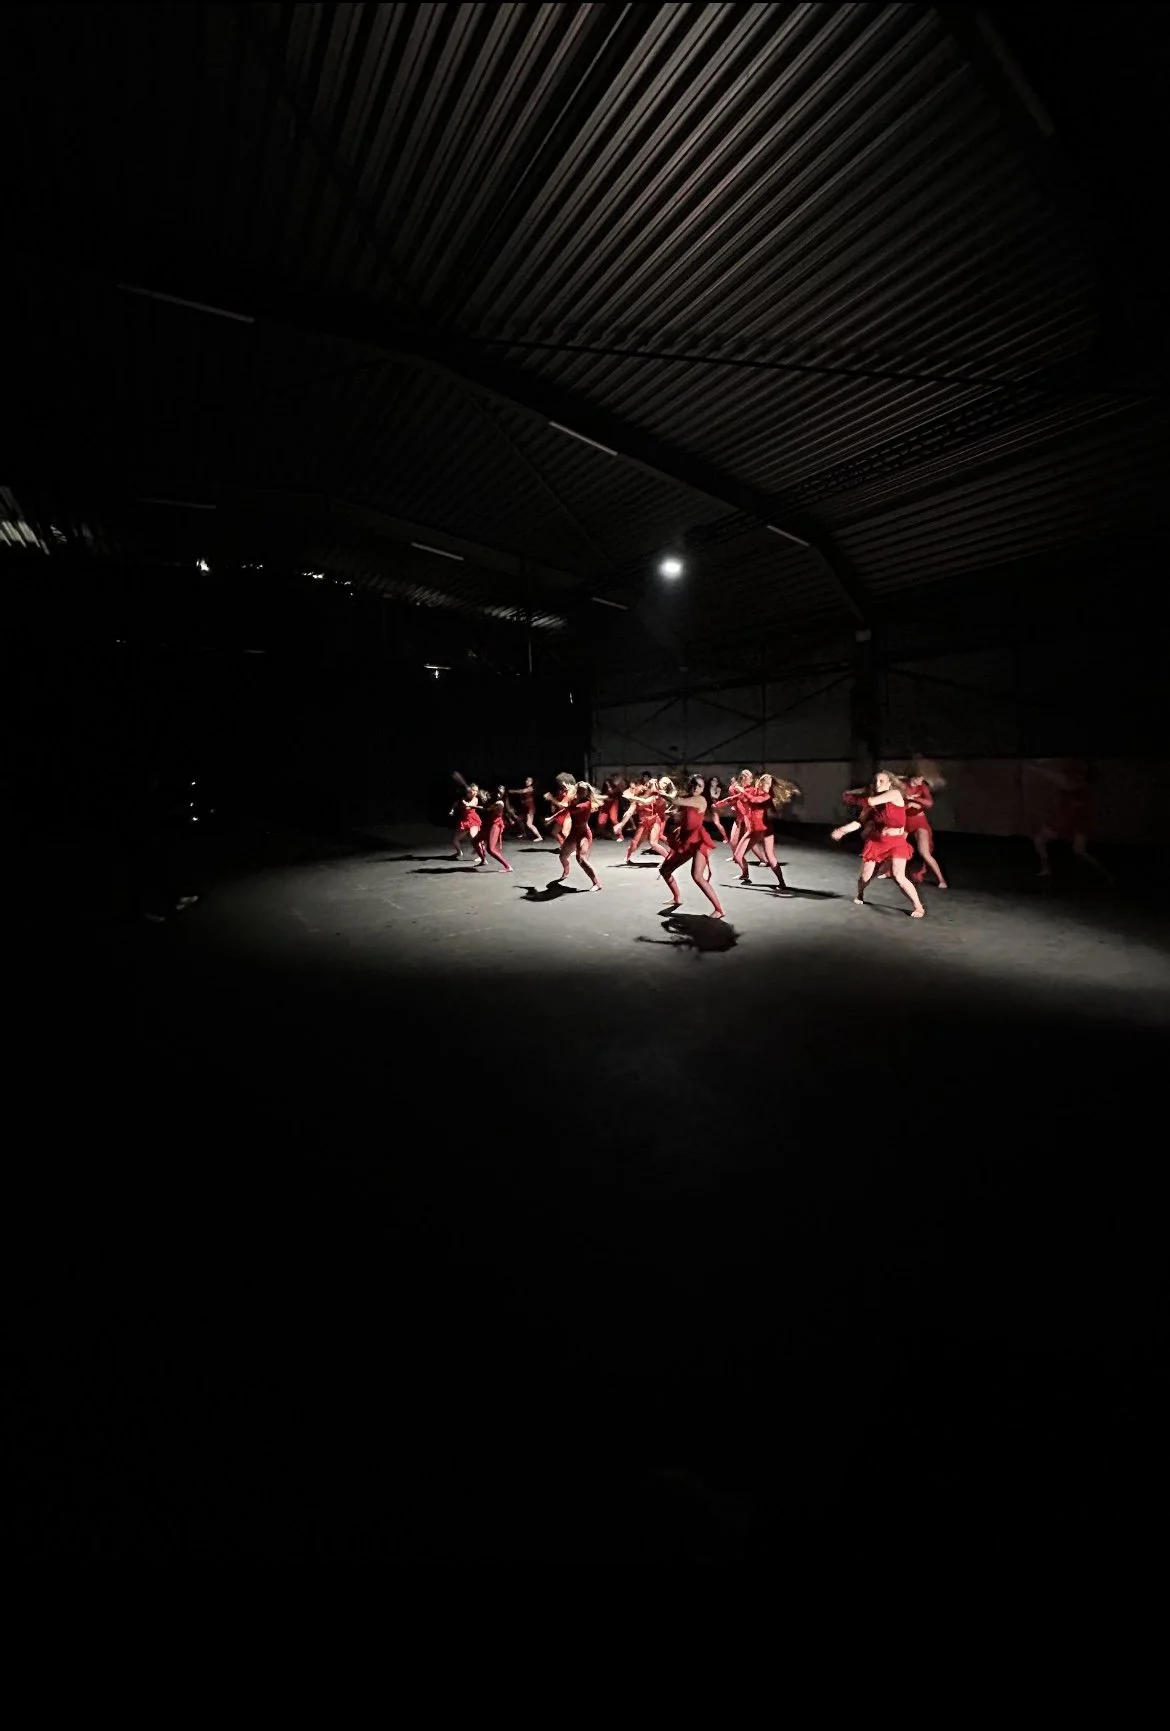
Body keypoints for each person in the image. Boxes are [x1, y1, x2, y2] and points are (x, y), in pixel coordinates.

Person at [831, 771, 926, 917]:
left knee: (898, 876)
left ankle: (918, 906)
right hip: (877, 842)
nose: (877, 784)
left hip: (896, 842)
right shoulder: (872, 803)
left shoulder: (894, 794)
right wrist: (843, 830)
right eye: (876, 781)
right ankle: (860, 893)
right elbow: (859, 822)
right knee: (865, 877)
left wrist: (851, 795)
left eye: (882, 781)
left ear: (889, 784)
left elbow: (869, 801)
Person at [1028, 759, 1113, 883]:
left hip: (1069, 817)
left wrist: (1036, 768)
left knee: (1040, 839)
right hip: (1077, 819)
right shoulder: (1083, 785)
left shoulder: (1075, 784)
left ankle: (1047, 869)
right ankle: (1105, 874)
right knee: (1079, 851)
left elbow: (1056, 778)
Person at [660, 777, 724, 918]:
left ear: (703, 789)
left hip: (698, 841)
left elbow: (676, 801)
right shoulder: (688, 799)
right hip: (686, 841)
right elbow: (681, 814)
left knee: (697, 876)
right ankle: (677, 898)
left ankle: (719, 910)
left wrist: (658, 793)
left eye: (699, 786)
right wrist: (672, 816)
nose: (696, 788)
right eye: (694, 784)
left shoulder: (700, 800)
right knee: (665, 870)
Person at [730, 773, 793, 893]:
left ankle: (782, 882)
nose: (768, 786)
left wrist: (743, 791)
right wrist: (719, 804)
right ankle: (745, 874)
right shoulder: (752, 791)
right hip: (753, 830)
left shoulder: (766, 796)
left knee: (770, 856)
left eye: (770, 785)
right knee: (737, 856)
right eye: (767, 784)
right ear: (761, 783)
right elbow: (740, 798)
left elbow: (753, 800)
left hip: (766, 830)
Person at [902, 761, 947, 889]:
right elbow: (897, 802)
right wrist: (908, 805)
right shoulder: (903, 786)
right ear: (912, 777)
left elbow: (929, 803)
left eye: (922, 778)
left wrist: (915, 800)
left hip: (919, 821)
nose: (920, 780)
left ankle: (941, 879)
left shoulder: (922, 787)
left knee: (924, 852)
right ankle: (889, 871)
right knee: (896, 847)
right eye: (918, 778)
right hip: (905, 821)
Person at [559, 782, 604, 890]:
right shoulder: (575, 801)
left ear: (587, 792)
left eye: (584, 790)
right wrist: (552, 818)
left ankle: (597, 884)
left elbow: (570, 809)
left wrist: (552, 799)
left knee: (581, 859)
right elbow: (565, 810)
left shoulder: (586, 803)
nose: (581, 792)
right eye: (579, 790)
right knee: (562, 856)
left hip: (584, 834)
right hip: (574, 833)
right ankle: (566, 869)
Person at [478, 789, 513, 872]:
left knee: (491, 849)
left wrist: (473, 806)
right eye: (498, 791)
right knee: (475, 840)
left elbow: (487, 810)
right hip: (489, 825)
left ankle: (508, 866)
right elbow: (486, 808)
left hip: (495, 825)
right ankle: (483, 860)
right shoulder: (492, 801)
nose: (499, 793)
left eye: (501, 791)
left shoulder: (499, 803)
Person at [450, 781, 483, 859]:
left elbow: (469, 806)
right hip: (464, 821)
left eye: (476, 790)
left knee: (474, 838)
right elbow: (456, 803)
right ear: (469, 790)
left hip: (473, 820)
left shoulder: (475, 799)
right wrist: (452, 810)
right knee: (455, 840)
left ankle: (481, 856)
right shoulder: (464, 797)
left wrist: (466, 803)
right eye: (474, 790)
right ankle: (459, 852)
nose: (475, 792)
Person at [506, 775, 543, 843]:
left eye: (529, 780)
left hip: (530, 808)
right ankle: (524, 833)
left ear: (532, 782)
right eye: (526, 780)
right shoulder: (527, 788)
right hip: (526, 808)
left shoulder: (531, 788)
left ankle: (539, 837)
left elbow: (522, 791)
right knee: (519, 819)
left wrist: (512, 791)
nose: (527, 781)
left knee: (529, 824)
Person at [705, 776, 729, 844]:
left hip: (715, 806)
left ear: (717, 782)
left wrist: (711, 789)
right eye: (713, 781)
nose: (714, 782)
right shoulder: (707, 788)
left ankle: (725, 837)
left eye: (716, 781)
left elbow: (715, 796)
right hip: (707, 807)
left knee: (717, 823)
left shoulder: (718, 789)